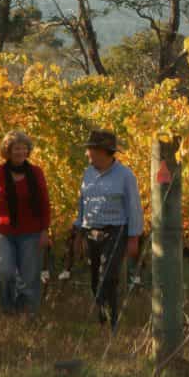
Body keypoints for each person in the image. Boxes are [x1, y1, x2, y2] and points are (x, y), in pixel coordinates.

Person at [72, 129, 142, 329]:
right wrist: (78, 232)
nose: (87, 154)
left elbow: (134, 207)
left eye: (91, 150)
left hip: (115, 230)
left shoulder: (125, 175)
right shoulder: (87, 174)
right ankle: (102, 313)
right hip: (90, 230)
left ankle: (113, 320)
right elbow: (82, 203)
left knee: (108, 273)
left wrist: (133, 238)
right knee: (95, 279)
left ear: (103, 152)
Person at [0, 130, 52, 315]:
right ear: (8, 151)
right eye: (16, 149)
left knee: (29, 277)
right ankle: (6, 308)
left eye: (23, 148)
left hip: (32, 231)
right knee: (4, 271)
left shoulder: (36, 173)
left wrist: (45, 230)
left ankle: (27, 314)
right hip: (4, 232)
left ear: (28, 151)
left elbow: (44, 203)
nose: (20, 152)